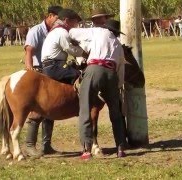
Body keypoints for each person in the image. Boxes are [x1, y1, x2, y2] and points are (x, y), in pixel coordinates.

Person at [69, 19, 128, 160]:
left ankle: (87, 149)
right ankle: (120, 148)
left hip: (94, 69)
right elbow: (121, 68)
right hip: (111, 74)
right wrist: (117, 85)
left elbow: (72, 32)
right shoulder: (118, 44)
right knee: (116, 112)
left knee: (85, 109)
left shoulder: (97, 31)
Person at [23, 5, 63, 157]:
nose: (59, 21)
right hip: (38, 71)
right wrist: (30, 71)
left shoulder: (55, 31)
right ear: (50, 16)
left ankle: (47, 145)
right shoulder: (36, 31)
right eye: (58, 18)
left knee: (50, 109)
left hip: (52, 70)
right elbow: (29, 51)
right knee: (36, 111)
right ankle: (29, 145)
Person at [41, 8, 87, 84]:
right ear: (66, 20)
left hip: (51, 65)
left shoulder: (56, 31)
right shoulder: (62, 32)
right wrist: (85, 52)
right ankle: (84, 96)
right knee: (80, 76)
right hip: (54, 66)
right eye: (75, 22)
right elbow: (73, 51)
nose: (75, 25)